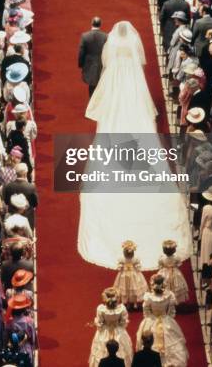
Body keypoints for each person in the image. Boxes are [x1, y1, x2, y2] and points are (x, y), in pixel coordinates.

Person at [79, 21, 192, 270]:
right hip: (131, 78)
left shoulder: (113, 42)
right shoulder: (129, 42)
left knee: (115, 112)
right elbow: (140, 62)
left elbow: (107, 62)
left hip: (118, 77)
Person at [136, 274, 188, 367]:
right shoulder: (169, 295)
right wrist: (166, 318)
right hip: (166, 320)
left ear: (153, 284)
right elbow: (172, 312)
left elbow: (146, 311)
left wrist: (150, 319)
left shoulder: (148, 297)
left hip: (152, 320)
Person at [89, 287, 132, 367]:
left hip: (105, 331)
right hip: (118, 331)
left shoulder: (101, 309)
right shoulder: (122, 309)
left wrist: (97, 323)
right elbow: (123, 323)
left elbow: (100, 323)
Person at [78, 17, 108, 97]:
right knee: (100, 85)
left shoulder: (85, 36)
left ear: (92, 23)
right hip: (101, 64)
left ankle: (92, 104)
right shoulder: (105, 36)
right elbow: (107, 51)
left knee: (91, 86)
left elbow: (81, 52)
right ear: (100, 24)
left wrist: (81, 64)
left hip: (89, 65)